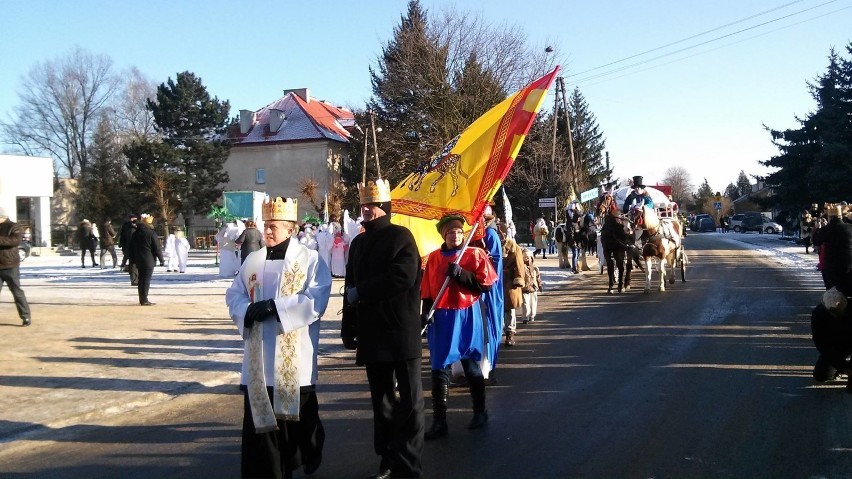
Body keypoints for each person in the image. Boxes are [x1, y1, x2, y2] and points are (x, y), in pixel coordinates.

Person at [225, 196, 331, 479]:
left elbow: (316, 299)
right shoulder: (253, 260)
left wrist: (274, 306)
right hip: (259, 360)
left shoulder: (309, 260)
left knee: (300, 423)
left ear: (291, 229)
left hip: (294, 360)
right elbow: (234, 293)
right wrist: (247, 310)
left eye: (274, 226)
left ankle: (310, 447)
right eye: (266, 225)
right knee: (262, 430)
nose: (267, 231)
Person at [341, 178, 424, 479]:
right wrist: (348, 326)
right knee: (382, 401)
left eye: (372, 204)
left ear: (384, 207)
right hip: (372, 333)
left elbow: (401, 277)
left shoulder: (401, 236)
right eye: (363, 204)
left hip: (401, 331)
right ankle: (387, 456)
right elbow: (349, 286)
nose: (366, 209)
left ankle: (410, 461)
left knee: (411, 402)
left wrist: (362, 291)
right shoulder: (358, 243)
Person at [421, 214, 497, 440]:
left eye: (458, 231)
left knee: (470, 365)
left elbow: (485, 285)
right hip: (442, 316)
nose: (455, 235)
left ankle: (480, 412)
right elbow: (427, 290)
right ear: (444, 235)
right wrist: (425, 313)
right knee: (439, 368)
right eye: (451, 232)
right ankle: (439, 421)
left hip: (467, 315)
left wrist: (462, 275)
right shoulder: (434, 258)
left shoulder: (475, 254)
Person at [811, 288, 852, 390]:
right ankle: (839, 371)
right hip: (837, 345)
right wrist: (843, 366)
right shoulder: (818, 315)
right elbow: (823, 345)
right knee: (821, 375)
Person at [0, 207, 31, 326]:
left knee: (17, 292)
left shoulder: (14, 226)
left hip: (10, 266)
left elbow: (14, 241)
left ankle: (25, 316)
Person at [812, 205, 852, 296]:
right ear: (841, 216)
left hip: (832, 268)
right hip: (849, 266)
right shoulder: (850, 227)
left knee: (833, 294)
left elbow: (816, 241)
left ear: (830, 218)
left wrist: (816, 228)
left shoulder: (826, 230)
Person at [498, 223, 525, 346]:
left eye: (500, 233)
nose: (499, 235)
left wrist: (518, 279)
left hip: (509, 282)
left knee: (509, 308)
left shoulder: (514, 247)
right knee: (496, 308)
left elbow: (519, 266)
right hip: (495, 282)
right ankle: (497, 333)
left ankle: (510, 332)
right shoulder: (492, 246)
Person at [129, 214, 164, 306]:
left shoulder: (136, 233)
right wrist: (161, 259)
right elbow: (157, 248)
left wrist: (132, 259)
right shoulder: (151, 233)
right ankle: (144, 299)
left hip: (138, 259)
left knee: (141, 279)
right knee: (146, 280)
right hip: (149, 260)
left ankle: (142, 298)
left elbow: (131, 247)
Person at [521, 249, 542, 325]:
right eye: (525, 257)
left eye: (528, 257)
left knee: (533, 303)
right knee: (525, 304)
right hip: (524, 288)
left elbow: (538, 277)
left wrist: (539, 284)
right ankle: (525, 317)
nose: (526, 259)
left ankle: (532, 315)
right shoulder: (522, 267)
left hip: (533, 288)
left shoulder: (535, 268)